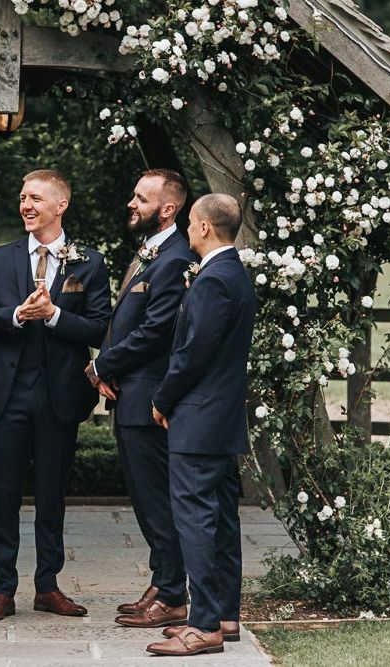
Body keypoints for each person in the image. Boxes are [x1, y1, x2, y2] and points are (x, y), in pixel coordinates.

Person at [0, 169, 111, 621]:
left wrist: (53, 317)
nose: (25, 205)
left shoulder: (88, 262)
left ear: (60, 205)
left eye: (35, 198)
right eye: (22, 196)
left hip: (60, 398)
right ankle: (2, 590)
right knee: (3, 496)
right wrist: (14, 314)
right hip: (9, 396)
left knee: (52, 497)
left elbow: (102, 326)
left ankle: (48, 586)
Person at [147, 194, 256, 657]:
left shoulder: (213, 280)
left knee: (195, 520)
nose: (188, 230)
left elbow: (193, 352)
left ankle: (205, 624)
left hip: (199, 417)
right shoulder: (235, 274)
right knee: (222, 521)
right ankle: (225, 615)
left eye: (191, 223)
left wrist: (163, 397)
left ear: (206, 228)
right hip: (223, 416)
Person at [84, 169, 193, 628]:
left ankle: (173, 595)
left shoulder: (173, 258)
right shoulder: (152, 252)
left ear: (167, 209)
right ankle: (161, 581)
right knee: (146, 499)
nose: (131, 203)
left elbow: (155, 332)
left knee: (156, 500)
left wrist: (103, 366)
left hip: (149, 399)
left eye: (141, 197)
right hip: (131, 394)